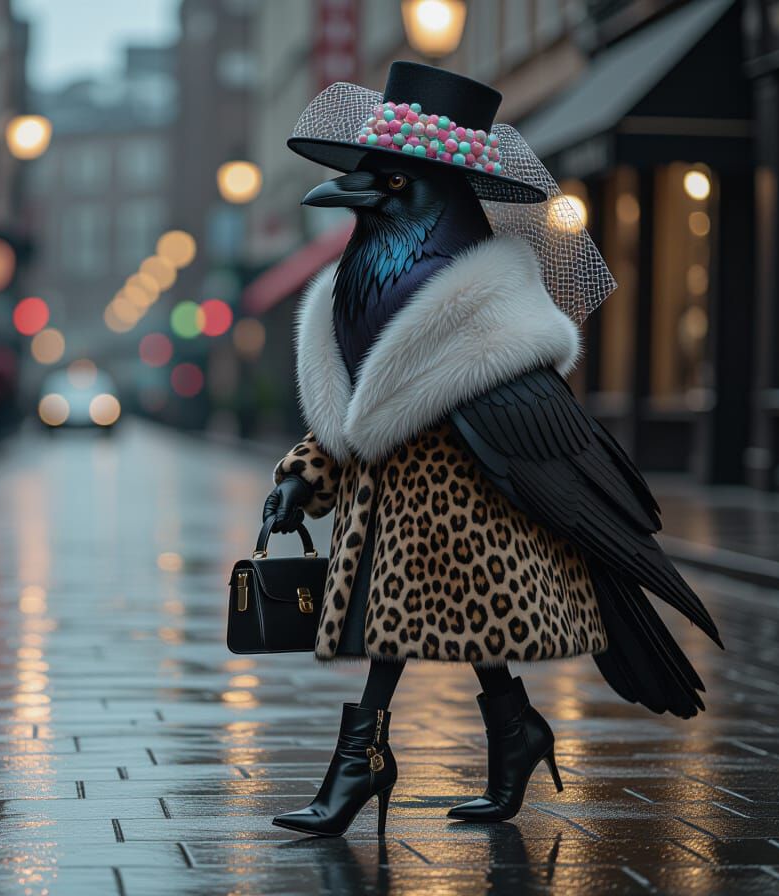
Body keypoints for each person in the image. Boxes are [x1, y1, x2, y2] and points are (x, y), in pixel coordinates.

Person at [261, 63, 722, 838]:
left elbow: (423, 406)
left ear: (435, 202)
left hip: (473, 516)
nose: (362, 194)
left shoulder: (476, 314)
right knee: (435, 630)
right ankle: (513, 737)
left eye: (394, 186)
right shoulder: (369, 289)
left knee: (400, 628)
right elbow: (369, 409)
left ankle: (364, 765)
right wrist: (303, 478)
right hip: (405, 518)